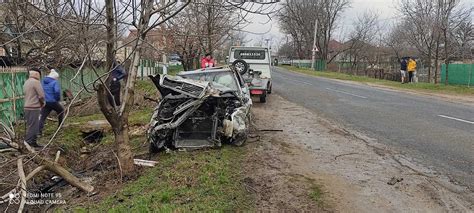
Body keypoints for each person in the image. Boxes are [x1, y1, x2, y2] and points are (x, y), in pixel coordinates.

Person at [23, 68, 45, 148]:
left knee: (31, 125)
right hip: (34, 107)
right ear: (37, 74)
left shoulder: (26, 82)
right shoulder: (36, 82)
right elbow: (41, 95)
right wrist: (42, 102)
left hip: (26, 106)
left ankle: (32, 142)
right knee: (34, 126)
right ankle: (28, 142)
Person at [39, 69, 64, 135]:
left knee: (42, 117)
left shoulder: (43, 81)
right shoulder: (54, 82)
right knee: (61, 110)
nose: (57, 79)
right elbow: (57, 91)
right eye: (56, 78)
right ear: (55, 77)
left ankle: (39, 131)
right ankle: (60, 126)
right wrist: (57, 99)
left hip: (46, 102)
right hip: (53, 101)